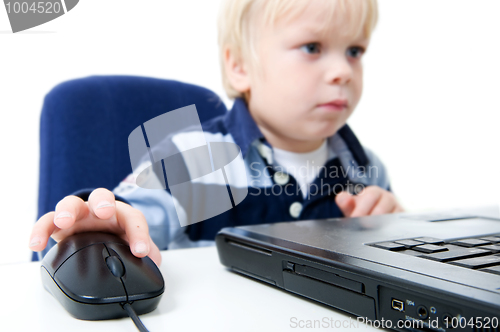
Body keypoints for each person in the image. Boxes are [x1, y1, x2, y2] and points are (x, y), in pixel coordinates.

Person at [29, 0, 403, 266]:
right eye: (312, 47)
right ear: (239, 66)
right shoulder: (195, 156)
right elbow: (140, 216)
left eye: (354, 50)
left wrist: (397, 230)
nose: (343, 71)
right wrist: (111, 221)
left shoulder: (366, 168)